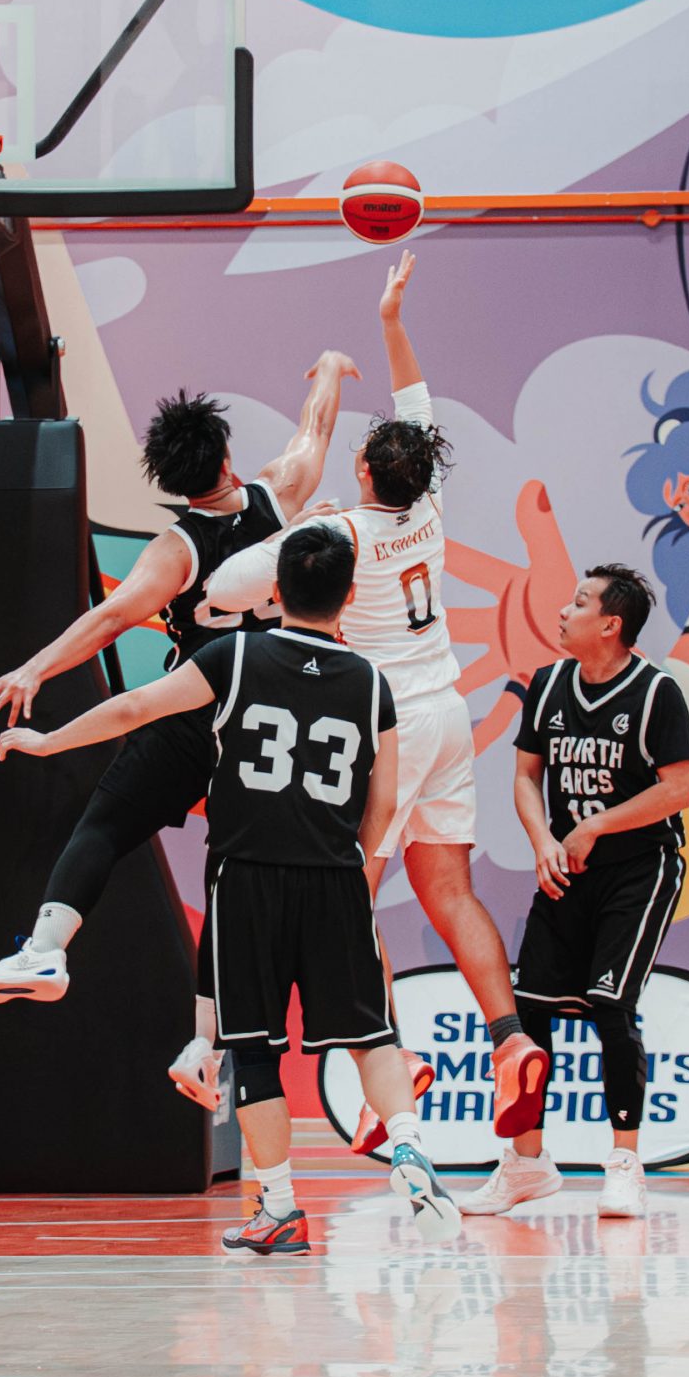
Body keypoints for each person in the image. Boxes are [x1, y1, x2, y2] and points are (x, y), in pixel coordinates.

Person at [0, 522, 460, 1255]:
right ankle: (406, 1144)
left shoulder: (233, 655)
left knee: (254, 1053)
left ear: (274, 591)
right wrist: (352, 864)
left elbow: (134, 710)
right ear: (348, 598)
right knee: (371, 1036)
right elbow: (384, 800)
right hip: (336, 880)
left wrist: (49, 741)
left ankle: (278, 1208)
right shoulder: (372, 683)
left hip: (248, 878)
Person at [202, 250, 546, 1151]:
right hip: (449, 713)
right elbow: (415, 401)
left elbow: (229, 588)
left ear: (360, 469)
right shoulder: (426, 504)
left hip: (383, 725)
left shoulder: (339, 533)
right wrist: (391, 319)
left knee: (346, 902)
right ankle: (510, 1040)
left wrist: (273, 544)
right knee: (450, 891)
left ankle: (385, 1070)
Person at [0, 351, 361, 1104]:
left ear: (173, 484)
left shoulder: (176, 549)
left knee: (106, 823)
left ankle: (46, 949)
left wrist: (33, 671)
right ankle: (202, 1045)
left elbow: (110, 618)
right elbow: (316, 431)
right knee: (225, 876)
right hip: (264, 720)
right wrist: (332, 370)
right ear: (228, 458)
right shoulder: (279, 496)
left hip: (193, 706)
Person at [469, 564, 689, 1222]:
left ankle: (623, 1165)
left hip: (639, 869)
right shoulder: (546, 685)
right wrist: (542, 840)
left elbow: (678, 789)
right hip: (565, 869)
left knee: (610, 1006)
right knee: (528, 1014)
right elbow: (524, 776)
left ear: (610, 625)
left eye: (578, 603)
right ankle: (527, 1164)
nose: (563, 612)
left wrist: (596, 824)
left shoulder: (656, 693)